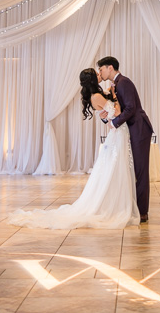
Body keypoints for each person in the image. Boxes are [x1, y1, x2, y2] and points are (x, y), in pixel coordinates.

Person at [8, 68, 140, 230]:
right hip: (117, 135)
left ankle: (117, 202)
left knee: (116, 169)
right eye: (97, 74)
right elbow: (117, 111)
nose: (100, 75)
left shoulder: (96, 96)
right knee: (116, 169)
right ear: (93, 79)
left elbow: (107, 114)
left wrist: (108, 105)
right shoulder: (97, 96)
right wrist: (114, 95)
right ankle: (116, 206)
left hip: (117, 133)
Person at [97, 56, 153, 223]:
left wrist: (114, 123)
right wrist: (106, 117)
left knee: (140, 171)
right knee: (133, 170)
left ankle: (143, 212)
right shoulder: (115, 85)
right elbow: (118, 109)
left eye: (101, 69)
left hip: (139, 129)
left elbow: (130, 108)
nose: (100, 72)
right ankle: (135, 208)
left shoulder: (124, 82)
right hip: (130, 130)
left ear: (110, 67)